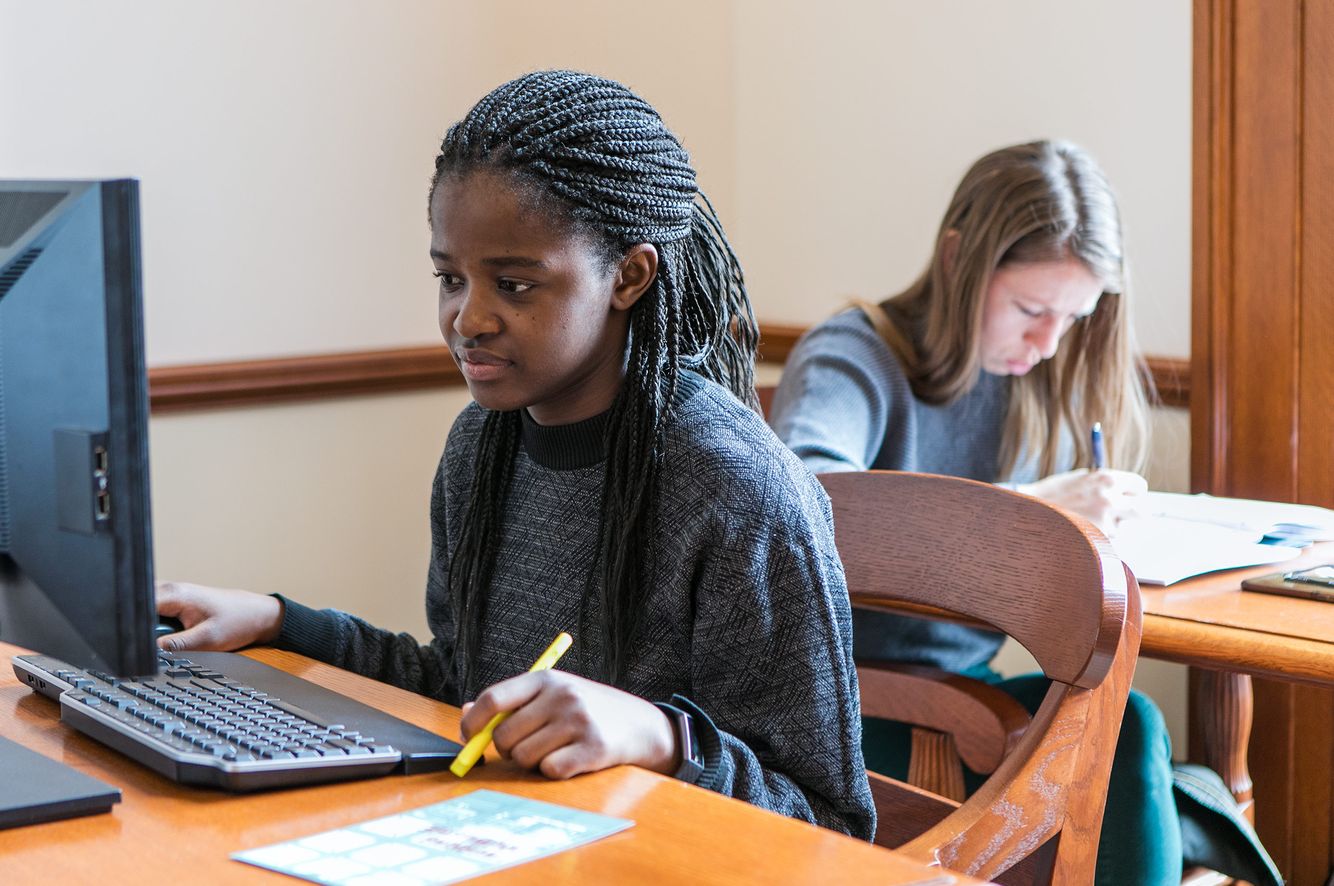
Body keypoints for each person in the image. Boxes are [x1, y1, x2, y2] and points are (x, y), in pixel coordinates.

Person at [155, 70, 875, 839]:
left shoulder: (736, 488)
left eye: (514, 285)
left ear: (628, 276)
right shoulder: (481, 444)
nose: (468, 317)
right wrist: (278, 621)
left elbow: (829, 825)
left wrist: (661, 739)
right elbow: (460, 683)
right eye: (450, 278)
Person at [768, 140, 1178, 884]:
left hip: (961, 700)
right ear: (959, 260)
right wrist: (1027, 513)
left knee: (1130, 732)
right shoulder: (855, 353)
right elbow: (807, 503)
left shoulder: (1019, 375)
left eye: (1072, 318)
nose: (1049, 343)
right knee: (1124, 748)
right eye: (1030, 309)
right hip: (849, 713)